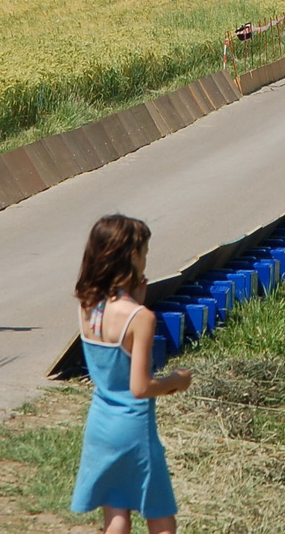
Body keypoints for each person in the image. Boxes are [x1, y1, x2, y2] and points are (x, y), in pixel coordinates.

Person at [70, 214, 191, 532]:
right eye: (145, 252)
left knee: (117, 509)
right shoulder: (141, 317)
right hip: (134, 427)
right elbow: (140, 387)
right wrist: (175, 382)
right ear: (132, 256)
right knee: (161, 513)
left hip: (101, 422)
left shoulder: (86, 303)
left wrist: (134, 298)